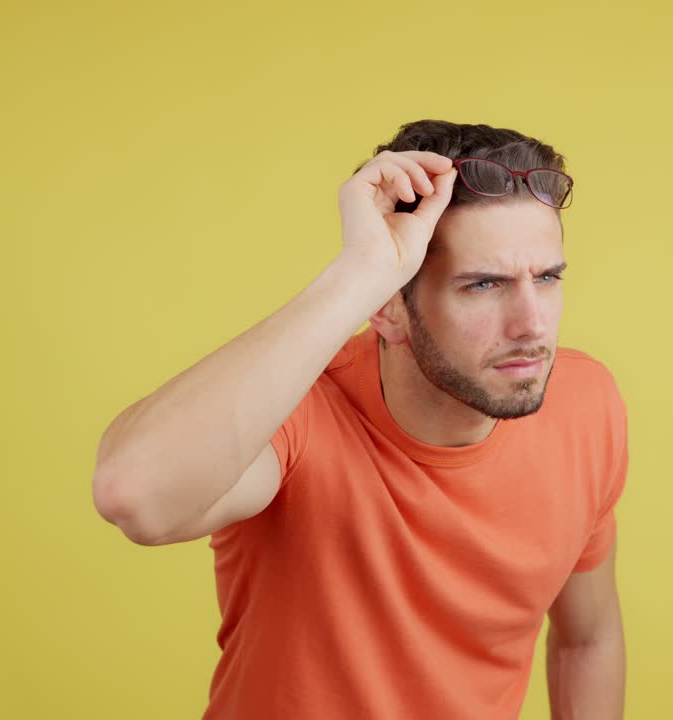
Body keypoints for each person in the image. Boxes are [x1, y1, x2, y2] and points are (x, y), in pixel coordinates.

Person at [92, 119, 629, 719]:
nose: (532, 324)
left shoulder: (587, 403)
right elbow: (133, 495)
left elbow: (588, 638)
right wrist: (360, 272)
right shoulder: (299, 410)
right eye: (483, 284)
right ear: (388, 308)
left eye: (548, 278)